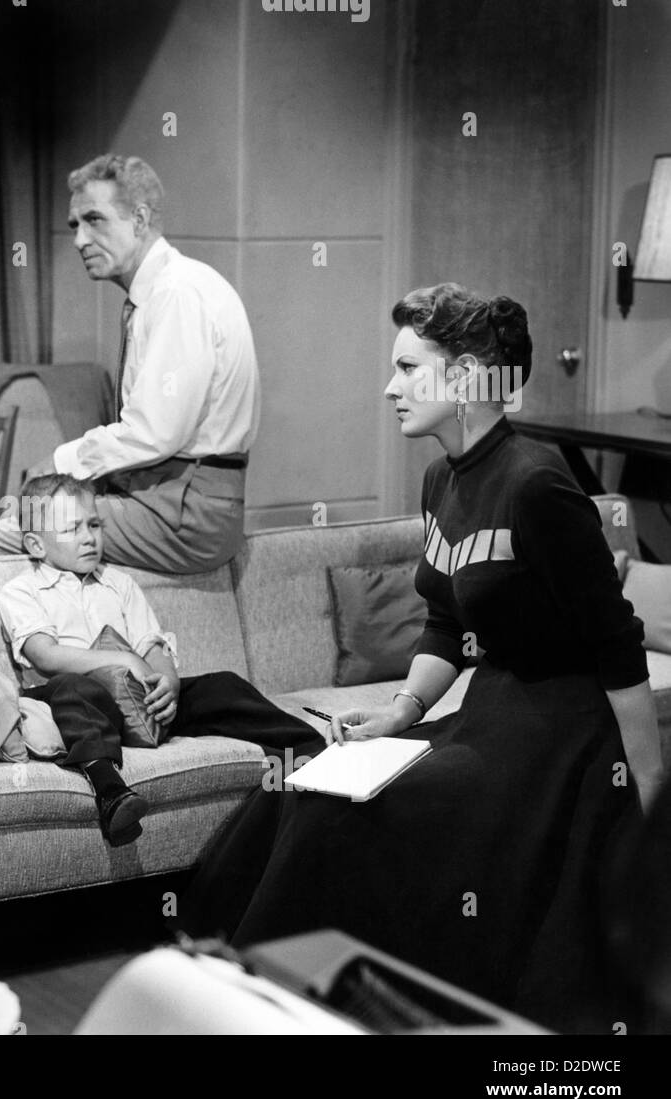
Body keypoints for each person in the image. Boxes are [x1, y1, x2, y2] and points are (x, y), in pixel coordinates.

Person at [181, 283, 665, 1033]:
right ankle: (243, 987)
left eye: (409, 368)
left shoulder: (538, 483)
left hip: (558, 739)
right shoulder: (442, 478)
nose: (389, 386)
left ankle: (298, 1007)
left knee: (350, 818)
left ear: (466, 377)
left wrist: (646, 790)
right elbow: (445, 619)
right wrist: (400, 712)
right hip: (484, 714)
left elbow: (617, 643)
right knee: (303, 787)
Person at [0, 154, 258, 574]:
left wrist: (61, 461)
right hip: (167, 498)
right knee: (45, 524)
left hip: (184, 515)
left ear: (139, 220)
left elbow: (156, 433)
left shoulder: (176, 294)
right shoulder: (167, 289)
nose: (79, 240)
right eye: (75, 225)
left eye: (94, 220)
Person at [0, 473, 321, 846]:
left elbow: (152, 645)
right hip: (76, 705)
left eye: (94, 524)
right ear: (36, 545)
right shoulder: (20, 590)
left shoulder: (119, 584)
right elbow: (46, 655)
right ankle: (109, 790)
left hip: (140, 702)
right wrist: (121, 660)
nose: (89, 537)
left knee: (222, 686)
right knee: (73, 689)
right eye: (73, 529)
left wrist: (167, 679)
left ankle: (310, 748)